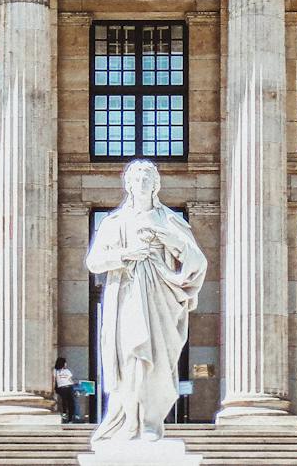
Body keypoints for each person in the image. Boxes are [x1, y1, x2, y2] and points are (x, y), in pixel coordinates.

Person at [84, 159, 208, 445]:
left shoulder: (170, 220)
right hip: (126, 295)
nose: (142, 183)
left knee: (159, 362)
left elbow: (197, 260)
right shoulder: (114, 222)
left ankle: (151, 422)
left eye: (148, 179)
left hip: (161, 297)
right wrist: (126, 254)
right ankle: (130, 421)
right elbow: (94, 261)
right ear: (128, 184)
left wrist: (166, 238)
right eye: (137, 179)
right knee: (131, 356)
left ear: (156, 185)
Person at [54, 357, 77, 423]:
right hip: (62, 387)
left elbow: (70, 380)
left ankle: (70, 418)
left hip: (69, 386)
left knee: (71, 403)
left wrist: (74, 384)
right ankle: (64, 415)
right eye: (65, 362)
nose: (66, 364)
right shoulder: (56, 371)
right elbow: (54, 380)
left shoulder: (67, 371)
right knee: (64, 402)